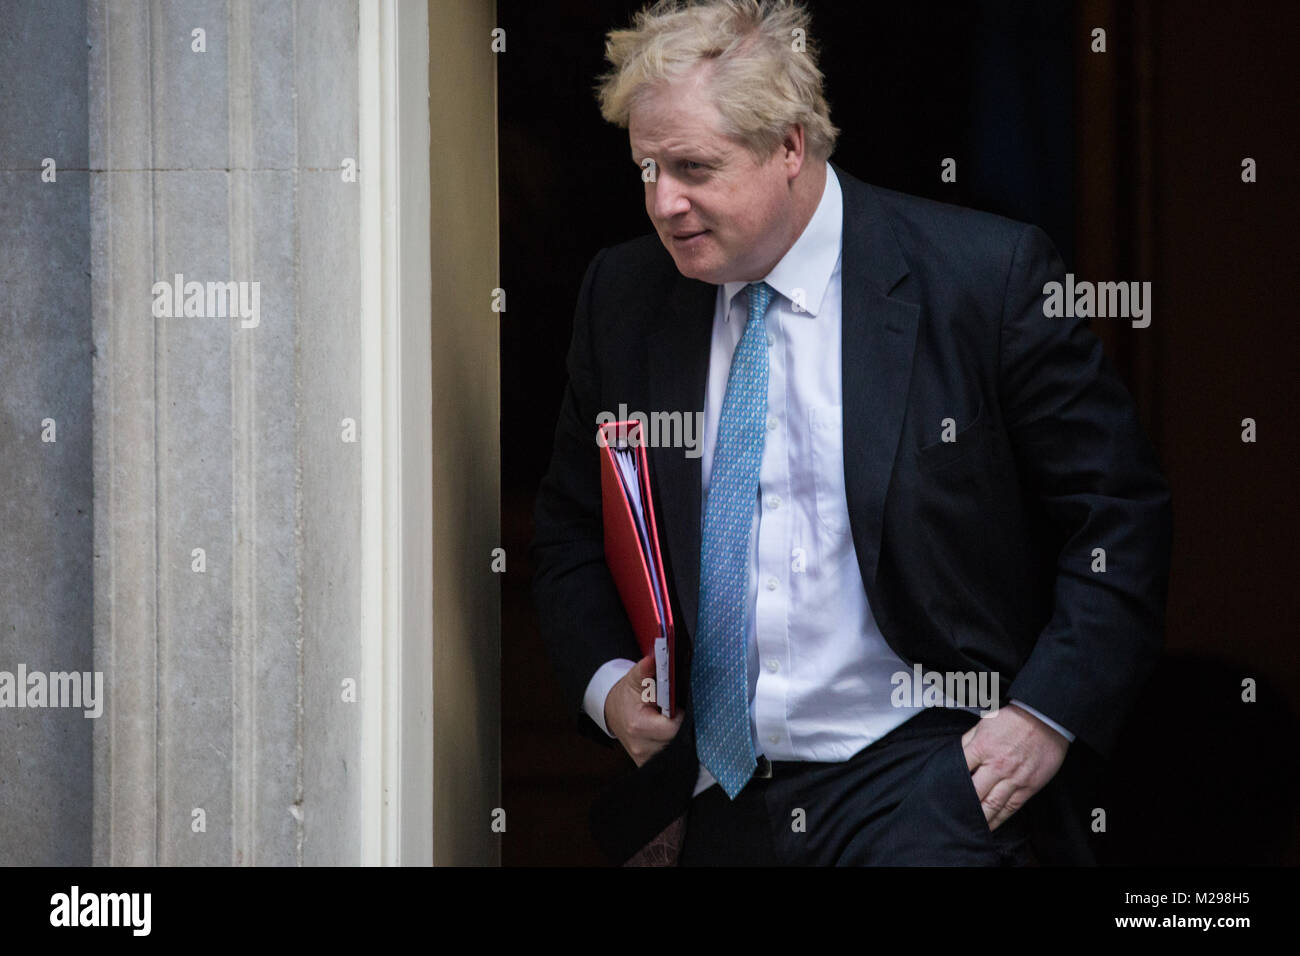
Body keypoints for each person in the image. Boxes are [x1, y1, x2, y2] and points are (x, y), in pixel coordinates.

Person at [530, 0, 1171, 866]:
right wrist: (610, 690)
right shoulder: (626, 296)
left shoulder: (982, 280)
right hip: (715, 794)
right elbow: (571, 524)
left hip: (924, 780)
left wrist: (1042, 717)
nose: (663, 202)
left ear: (790, 146)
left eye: (692, 167)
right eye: (646, 168)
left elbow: (1117, 515)